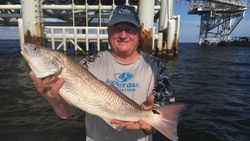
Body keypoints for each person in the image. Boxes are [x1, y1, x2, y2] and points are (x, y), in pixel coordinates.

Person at [29, 5, 175, 141]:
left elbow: (164, 116)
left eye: (130, 29)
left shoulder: (157, 66)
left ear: (139, 33)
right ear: (108, 31)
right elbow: (71, 113)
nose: (123, 35)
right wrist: (55, 98)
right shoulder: (89, 64)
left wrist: (149, 126)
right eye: (117, 29)